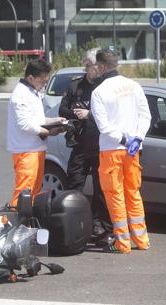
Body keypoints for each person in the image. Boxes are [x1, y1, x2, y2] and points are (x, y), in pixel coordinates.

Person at [90, 49, 151, 253]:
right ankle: (141, 240)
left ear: (100, 66)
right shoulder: (134, 86)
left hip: (112, 149)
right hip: (133, 150)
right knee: (133, 192)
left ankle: (122, 243)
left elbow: (104, 127)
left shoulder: (99, 92)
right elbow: (146, 116)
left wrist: (124, 139)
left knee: (115, 194)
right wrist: (137, 138)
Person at [58, 48, 112, 244]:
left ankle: (98, 225)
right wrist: (76, 112)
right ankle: (75, 221)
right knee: (74, 184)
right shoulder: (75, 87)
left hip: (100, 146)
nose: (88, 69)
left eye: (91, 66)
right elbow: (63, 109)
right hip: (80, 144)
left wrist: (89, 112)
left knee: (101, 189)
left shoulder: (105, 88)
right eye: (87, 66)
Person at [6, 59, 65, 205]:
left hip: (35, 148)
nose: (44, 85)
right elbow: (25, 124)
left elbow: (37, 119)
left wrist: (55, 120)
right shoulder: (21, 94)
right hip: (26, 150)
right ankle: (15, 222)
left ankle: (27, 222)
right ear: (31, 77)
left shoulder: (32, 92)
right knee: (24, 191)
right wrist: (48, 132)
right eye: (42, 81)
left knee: (34, 190)